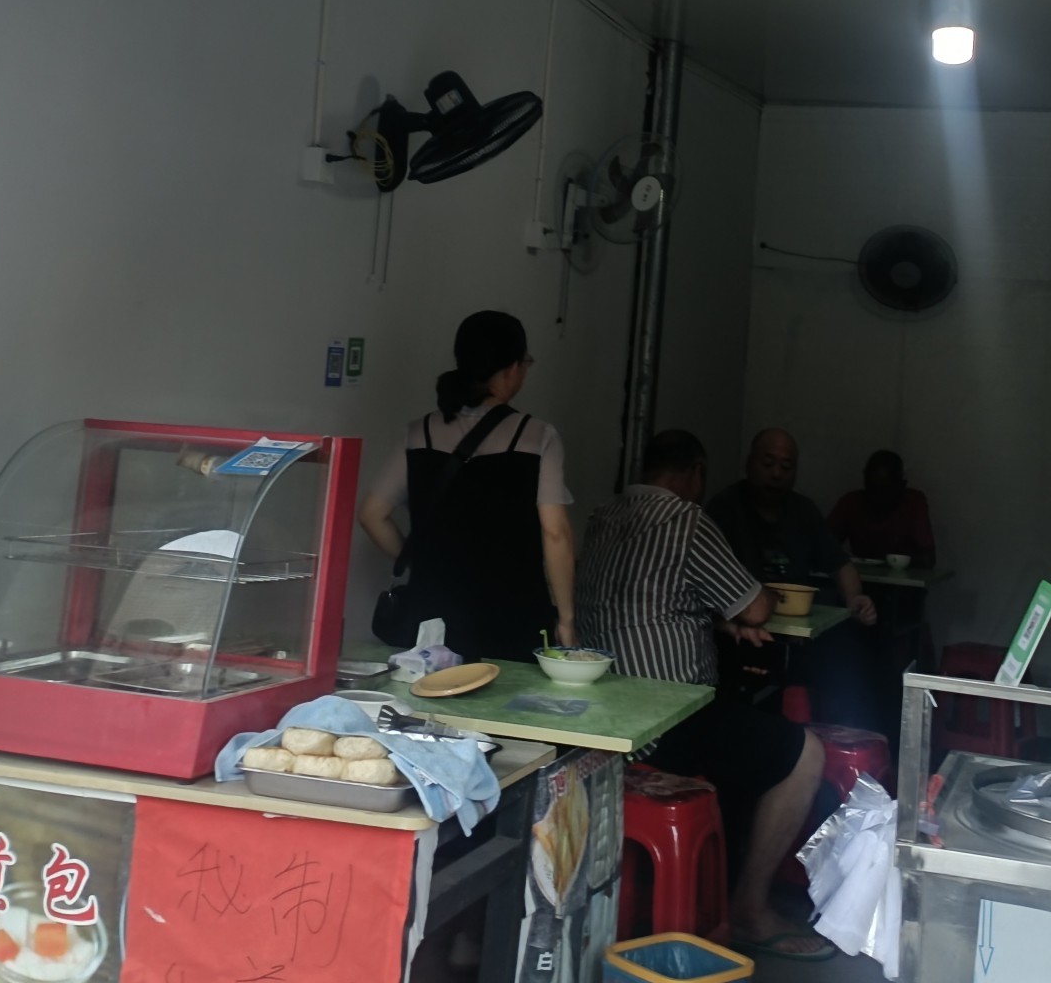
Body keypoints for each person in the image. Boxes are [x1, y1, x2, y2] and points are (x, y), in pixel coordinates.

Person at [577, 430, 836, 963]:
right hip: (665, 721)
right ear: (695, 472)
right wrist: (752, 606)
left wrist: (717, 622)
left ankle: (713, 877)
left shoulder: (603, 517)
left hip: (604, 718)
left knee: (744, 734)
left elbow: (644, 603)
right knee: (804, 753)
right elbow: (757, 607)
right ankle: (749, 909)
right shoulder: (686, 520)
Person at [358, 310, 576, 659]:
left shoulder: (420, 433)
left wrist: (422, 562)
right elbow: (555, 533)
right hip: (514, 618)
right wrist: (566, 619)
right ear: (512, 368)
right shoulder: (537, 437)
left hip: (433, 619)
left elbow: (371, 515)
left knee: (429, 693)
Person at [708, 429, 876, 627]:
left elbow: (840, 564)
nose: (776, 474)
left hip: (796, 625)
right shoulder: (725, 507)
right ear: (749, 464)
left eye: (786, 467)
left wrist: (854, 598)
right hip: (741, 623)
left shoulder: (804, 511)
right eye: (767, 464)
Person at [828, 450, 936, 567]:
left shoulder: (913, 503)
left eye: (885, 489)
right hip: (860, 575)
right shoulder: (850, 503)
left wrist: (890, 562)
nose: (877, 496)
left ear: (901, 485)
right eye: (872, 488)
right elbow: (823, 546)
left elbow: (928, 559)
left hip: (904, 577)